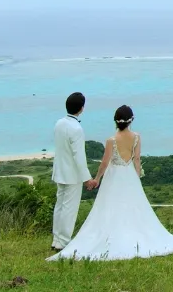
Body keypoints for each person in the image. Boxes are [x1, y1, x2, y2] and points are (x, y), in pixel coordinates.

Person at [47, 105, 173, 261]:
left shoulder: (111, 140)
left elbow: (105, 163)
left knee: (109, 207)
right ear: (131, 120)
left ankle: (90, 237)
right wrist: (136, 178)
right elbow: (137, 160)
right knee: (133, 206)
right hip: (129, 176)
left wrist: (97, 178)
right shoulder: (136, 137)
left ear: (115, 121)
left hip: (113, 177)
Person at [50, 92, 97, 253]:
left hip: (60, 171)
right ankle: (63, 242)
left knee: (60, 205)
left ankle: (56, 239)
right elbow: (79, 156)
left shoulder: (59, 123)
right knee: (69, 208)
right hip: (72, 174)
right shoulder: (76, 128)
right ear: (81, 108)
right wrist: (87, 178)